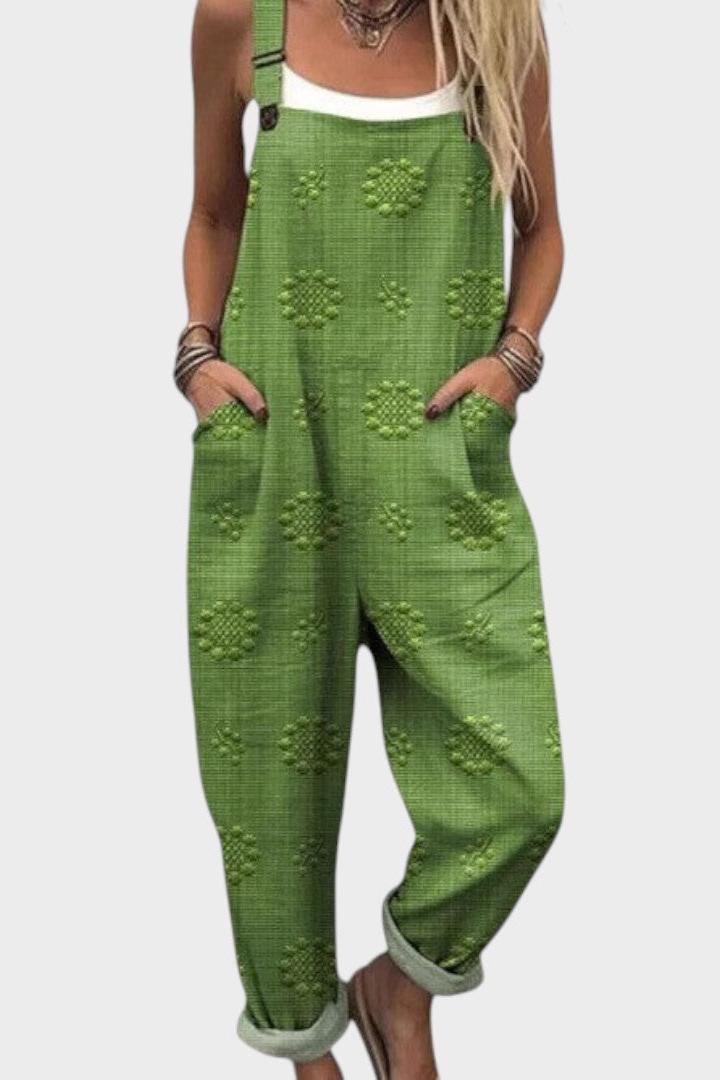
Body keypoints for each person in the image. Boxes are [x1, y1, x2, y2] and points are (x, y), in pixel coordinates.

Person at [176, 0, 564, 1075]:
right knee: (267, 791)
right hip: (273, 454)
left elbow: (542, 230)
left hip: (437, 464)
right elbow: (213, 214)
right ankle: (311, 1055)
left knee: (520, 788)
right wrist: (197, 357)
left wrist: (514, 363)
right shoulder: (239, 18)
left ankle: (400, 986)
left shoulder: (498, 25)